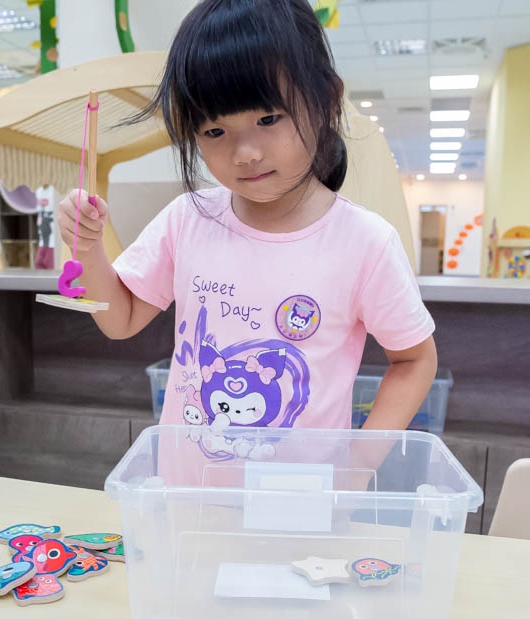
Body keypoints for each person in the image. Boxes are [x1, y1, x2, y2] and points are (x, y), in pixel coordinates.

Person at [57, 0, 436, 447]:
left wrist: (357, 465)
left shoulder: (366, 242)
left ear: (325, 101)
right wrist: (87, 248)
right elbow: (119, 320)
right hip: (188, 493)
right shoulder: (187, 219)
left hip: (299, 501)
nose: (245, 153)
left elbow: (414, 361)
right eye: (215, 132)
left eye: (268, 118)